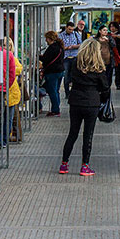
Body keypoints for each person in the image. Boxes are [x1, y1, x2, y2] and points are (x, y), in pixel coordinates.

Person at [59, 39, 110, 176]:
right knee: (88, 135)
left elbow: (69, 79)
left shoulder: (76, 64)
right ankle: (84, 166)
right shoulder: (99, 67)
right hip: (91, 103)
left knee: (72, 133)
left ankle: (64, 164)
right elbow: (105, 88)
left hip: (75, 101)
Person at [3, 37, 23, 145]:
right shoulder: (5, 57)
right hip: (8, 92)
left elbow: (19, 69)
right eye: (5, 45)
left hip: (11, 92)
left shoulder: (12, 59)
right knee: (5, 118)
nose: (6, 47)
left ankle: (5, 139)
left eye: (9, 45)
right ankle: (3, 139)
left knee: (8, 118)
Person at [40, 31, 65, 117]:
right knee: (56, 91)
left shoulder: (52, 48)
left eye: (46, 38)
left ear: (50, 39)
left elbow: (45, 59)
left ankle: (55, 110)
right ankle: (56, 108)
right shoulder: (60, 47)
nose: (46, 40)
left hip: (52, 72)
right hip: (60, 71)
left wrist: (38, 56)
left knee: (52, 91)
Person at [59, 22, 83, 99]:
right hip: (66, 58)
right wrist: (66, 48)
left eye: (72, 29)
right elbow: (59, 47)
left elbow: (81, 44)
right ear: (66, 28)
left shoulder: (76, 34)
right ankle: (67, 93)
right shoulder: (61, 35)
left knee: (74, 75)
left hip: (74, 57)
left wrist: (74, 46)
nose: (71, 31)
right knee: (66, 76)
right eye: (69, 29)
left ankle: (74, 92)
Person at [109, 21, 120, 90]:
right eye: (111, 26)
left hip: (118, 53)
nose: (112, 28)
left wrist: (117, 36)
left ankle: (118, 84)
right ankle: (108, 84)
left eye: (113, 27)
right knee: (109, 70)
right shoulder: (108, 34)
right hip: (110, 54)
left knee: (118, 70)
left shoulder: (119, 34)